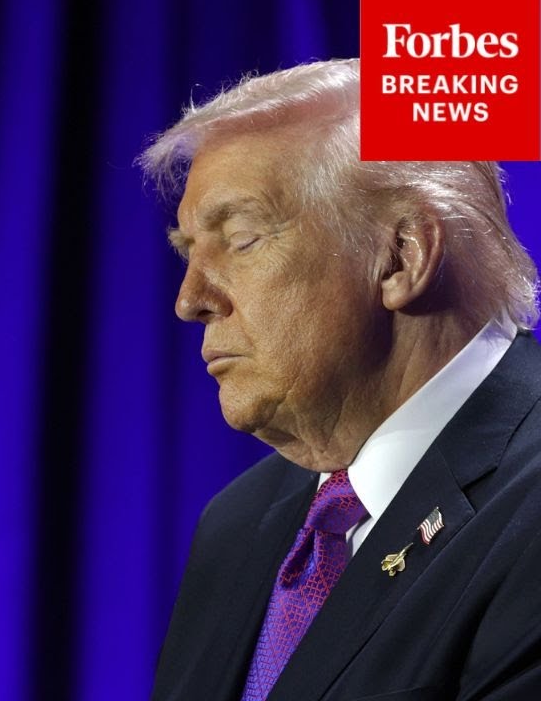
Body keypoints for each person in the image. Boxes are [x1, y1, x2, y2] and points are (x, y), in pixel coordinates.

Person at [141, 58, 541, 700]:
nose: (190, 300)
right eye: (189, 253)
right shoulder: (237, 524)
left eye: (241, 240)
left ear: (401, 256)